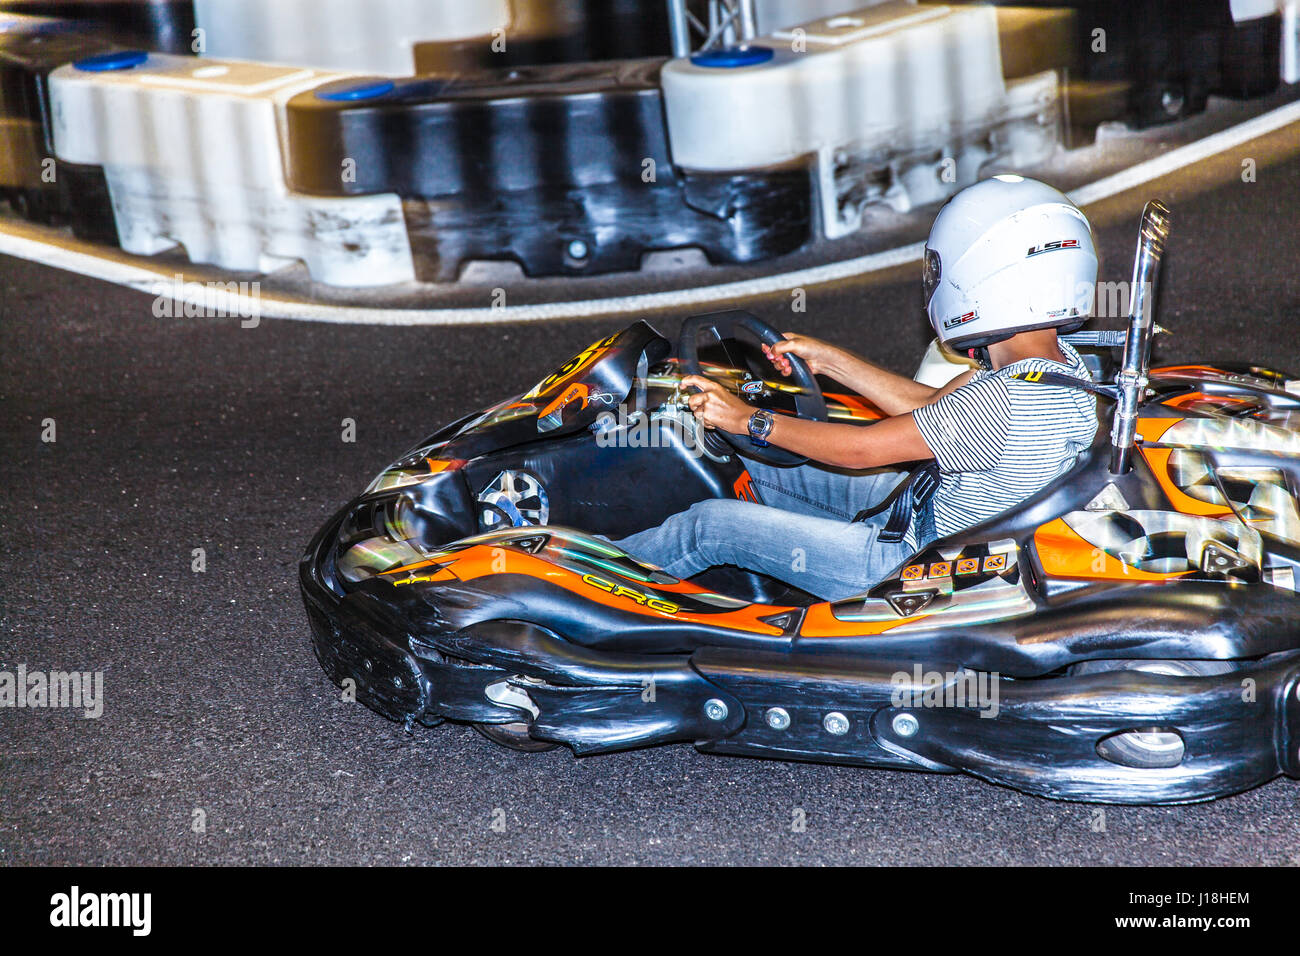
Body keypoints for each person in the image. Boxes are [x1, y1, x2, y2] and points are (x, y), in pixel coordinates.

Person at [614, 175, 1101, 601]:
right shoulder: (1063, 371)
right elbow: (934, 408)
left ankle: (569, 582)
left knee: (709, 525)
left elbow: (861, 450)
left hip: (911, 568)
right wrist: (831, 362)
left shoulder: (1001, 400)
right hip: (932, 519)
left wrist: (746, 419)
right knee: (748, 468)